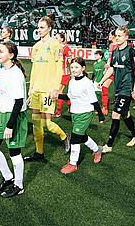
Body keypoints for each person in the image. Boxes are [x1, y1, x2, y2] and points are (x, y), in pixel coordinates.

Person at [24, 14, 70, 161]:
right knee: (36, 122)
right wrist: (31, 89)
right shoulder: (36, 47)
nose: (39, 30)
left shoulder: (56, 45)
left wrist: (56, 88)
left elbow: (59, 68)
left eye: (42, 27)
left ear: (49, 28)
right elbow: (35, 69)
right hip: (37, 90)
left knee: (47, 123)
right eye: (38, 27)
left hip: (49, 90)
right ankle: (39, 152)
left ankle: (64, 136)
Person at [0, 41, 28, 197]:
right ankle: (8, 177)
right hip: (4, 114)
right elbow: (6, 95)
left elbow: (18, 102)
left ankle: (19, 185)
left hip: (14, 117)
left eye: (1, 51)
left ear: (11, 55)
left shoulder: (15, 73)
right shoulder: (3, 71)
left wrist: (10, 126)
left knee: (14, 153)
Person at [58, 57, 105, 174]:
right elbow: (69, 96)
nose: (73, 69)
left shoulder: (87, 83)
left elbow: (94, 100)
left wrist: (100, 115)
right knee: (81, 136)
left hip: (85, 113)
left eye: (76, 67)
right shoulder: (71, 81)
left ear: (83, 68)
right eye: (72, 67)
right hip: (75, 113)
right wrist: (57, 96)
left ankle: (73, 164)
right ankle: (97, 149)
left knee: (75, 138)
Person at [98, 25, 135, 152]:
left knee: (115, 114)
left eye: (119, 36)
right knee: (124, 114)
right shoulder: (115, 51)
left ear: (126, 37)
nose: (117, 38)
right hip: (118, 88)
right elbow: (112, 68)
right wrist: (102, 80)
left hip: (126, 87)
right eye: (116, 35)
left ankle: (109, 145)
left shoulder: (131, 51)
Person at [53, 32, 72, 118]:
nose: (55, 39)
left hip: (64, 73)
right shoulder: (56, 48)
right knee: (58, 92)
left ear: (62, 39)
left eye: (57, 38)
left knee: (59, 92)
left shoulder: (66, 49)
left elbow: (71, 61)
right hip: (57, 73)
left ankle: (58, 112)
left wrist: (73, 73)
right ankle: (70, 103)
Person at [102, 30, 118, 115]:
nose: (109, 36)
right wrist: (107, 68)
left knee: (119, 90)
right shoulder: (111, 45)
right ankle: (104, 108)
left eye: (110, 35)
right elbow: (109, 58)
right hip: (111, 70)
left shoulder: (119, 46)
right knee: (104, 87)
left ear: (114, 36)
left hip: (118, 71)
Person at [0, 27, 14, 98]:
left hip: (8, 70)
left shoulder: (11, 44)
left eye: (4, 32)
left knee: (6, 92)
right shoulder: (2, 44)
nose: (2, 33)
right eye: (2, 32)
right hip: (2, 69)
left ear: (8, 34)